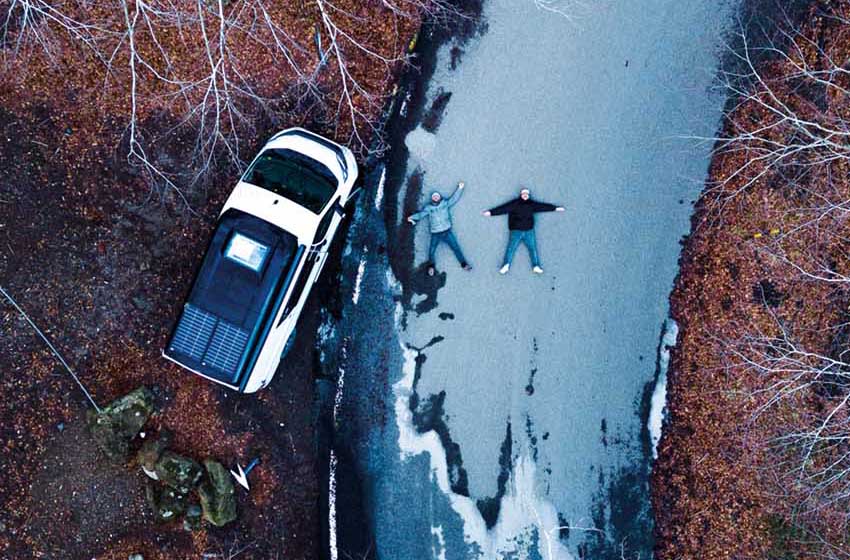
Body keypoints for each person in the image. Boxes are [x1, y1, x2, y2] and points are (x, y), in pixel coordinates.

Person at [482, 187, 565, 274]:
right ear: (521, 195)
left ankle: (536, 266)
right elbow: (503, 208)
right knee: (511, 249)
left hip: (529, 231)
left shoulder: (532, 204)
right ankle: (506, 265)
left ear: (528, 196)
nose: (525, 195)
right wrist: (491, 213)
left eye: (526, 194)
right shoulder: (514, 203)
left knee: (532, 248)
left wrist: (555, 208)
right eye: (523, 194)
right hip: (516, 231)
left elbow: (543, 207)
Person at [408, 181, 472, 276]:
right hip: (435, 233)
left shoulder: (445, 204)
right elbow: (421, 214)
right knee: (431, 250)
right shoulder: (428, 208)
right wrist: (412, 217)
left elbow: (454, 199)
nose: (435, 197)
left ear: (440, 197)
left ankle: (464, 264)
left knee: (456, 248)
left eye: (437, 196)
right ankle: (431, 267)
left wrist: (460, 188)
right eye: (434, 196)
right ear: (432, 199)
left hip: (447, 232)